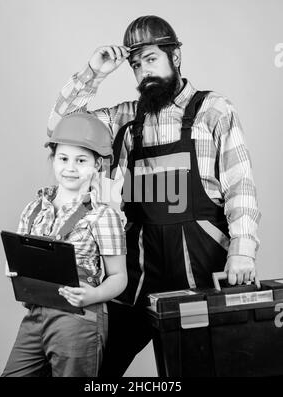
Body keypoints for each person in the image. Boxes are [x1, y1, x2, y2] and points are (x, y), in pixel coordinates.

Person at [47, 15, 261, 376]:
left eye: (151, 59)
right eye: (135, 65)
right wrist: (93, 73)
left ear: (175, 57)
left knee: (195, 367)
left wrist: (242, 251)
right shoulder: (127, 119)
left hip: (201, 261)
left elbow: (240, 185)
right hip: (139, 263)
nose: (143, 71)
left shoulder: (214, 110)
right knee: (100, 366)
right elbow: (61, 129)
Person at [1, 111, 127, 377]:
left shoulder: (104, 216)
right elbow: (17, 258)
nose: (70, 167)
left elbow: (119, 276)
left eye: (81, 160)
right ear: (53, 159)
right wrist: (12, 267)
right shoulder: (34, 208)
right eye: (63, 158)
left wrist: (93, 295)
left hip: (78, 320)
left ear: (97, 166)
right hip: (36, 314)